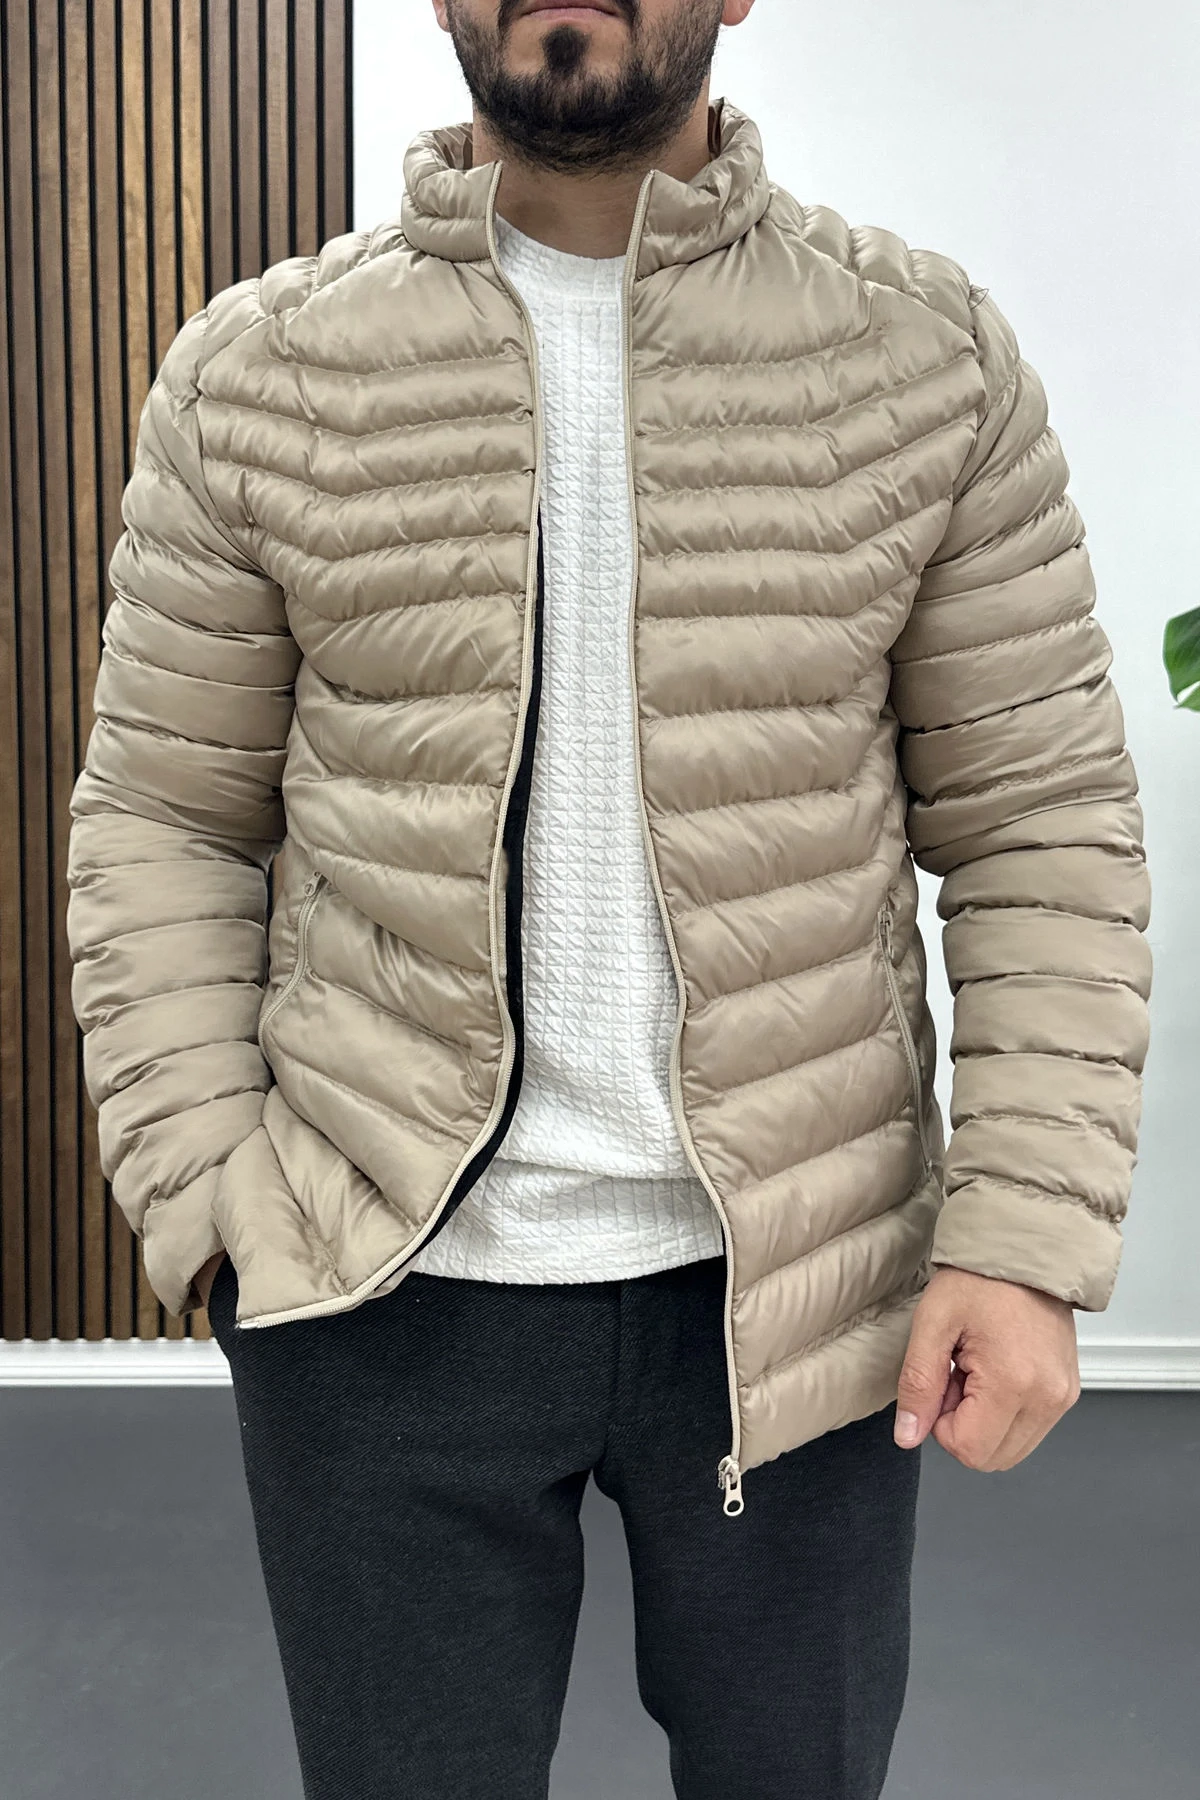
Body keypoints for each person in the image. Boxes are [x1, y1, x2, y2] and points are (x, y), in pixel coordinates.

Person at [65, 2, 1153, 1795]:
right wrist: (213, 1196)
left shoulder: (922, 358)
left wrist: (1023, 1238)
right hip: (379, 1291)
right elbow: (166, 817)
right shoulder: (260, 374)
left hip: (799, 1293)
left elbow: (1039, 824)